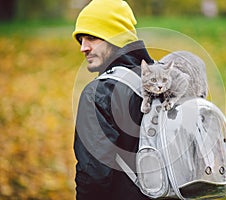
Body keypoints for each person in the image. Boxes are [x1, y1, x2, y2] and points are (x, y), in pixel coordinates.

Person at [72, 0, 153, 199]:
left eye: (91, 37)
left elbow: (93, 177)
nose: (83, 48)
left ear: (115, 37)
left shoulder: (98, 93)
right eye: (81, 39)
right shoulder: (161, 78)